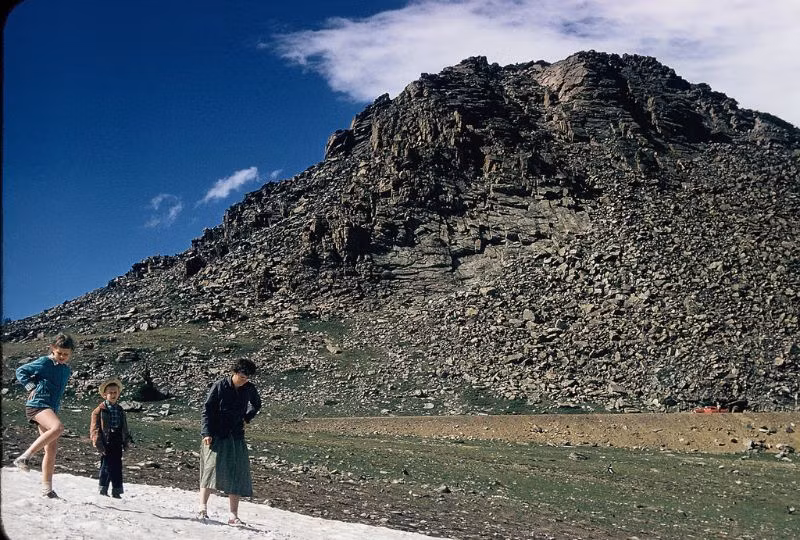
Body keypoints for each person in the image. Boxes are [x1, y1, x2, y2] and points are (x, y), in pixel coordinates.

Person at [198, 358, 261, 526]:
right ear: (234, 372)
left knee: (237, 472)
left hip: (236, 435)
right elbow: (207, 409)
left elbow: (256, 404)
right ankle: (202, 509)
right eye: (242, 376)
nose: (244, 379)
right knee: (211, 469)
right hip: (217, 434)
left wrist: (247, 417)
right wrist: (206, 432)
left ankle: (233, 515)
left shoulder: (249, 388)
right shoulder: (220, 385)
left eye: (247, 377)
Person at [13, 332, 75, 498]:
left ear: (71, 354)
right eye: (59, 353)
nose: (62, 356)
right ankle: (25, 457)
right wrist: (31, 387)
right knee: (58, 427)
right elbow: (21, 371)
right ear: (52, 349)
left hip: (50, 408)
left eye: (66, 354)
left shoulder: (65, 369)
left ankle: (47, 490)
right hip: (37, 404)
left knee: (52, 448)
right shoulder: (44, 362)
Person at [90, 378, 133, 498]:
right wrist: (98, 443)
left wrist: (126, 441)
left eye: (115, 392)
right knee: (106, 465)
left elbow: (124, 426)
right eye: (110, 393)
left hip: (117, 439)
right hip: (106, 440)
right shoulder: (99, 410)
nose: (113, 395)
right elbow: (95, 428)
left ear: (118, 393)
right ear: (105, 395)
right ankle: (103, 488)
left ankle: (117, 490)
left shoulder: (120, 410)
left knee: (117, 465)